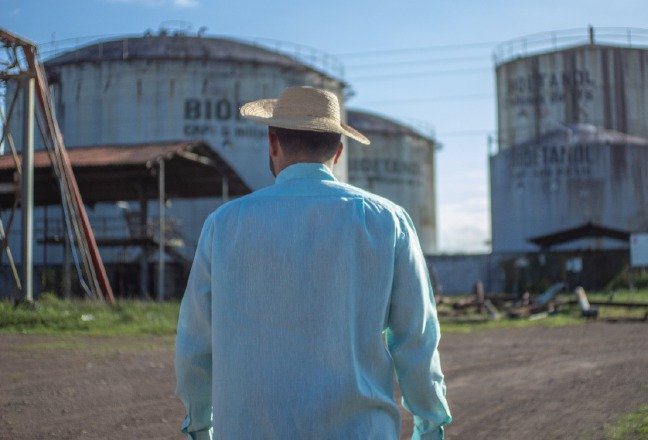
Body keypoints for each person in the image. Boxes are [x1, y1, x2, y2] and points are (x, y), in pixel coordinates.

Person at [174, 86, 451, 440]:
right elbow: (416, 340)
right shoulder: (388, 221)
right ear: (338, 150)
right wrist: (430, 424)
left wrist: (199, 424)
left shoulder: (225, 224)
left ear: (272, 142)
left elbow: (195, 342)